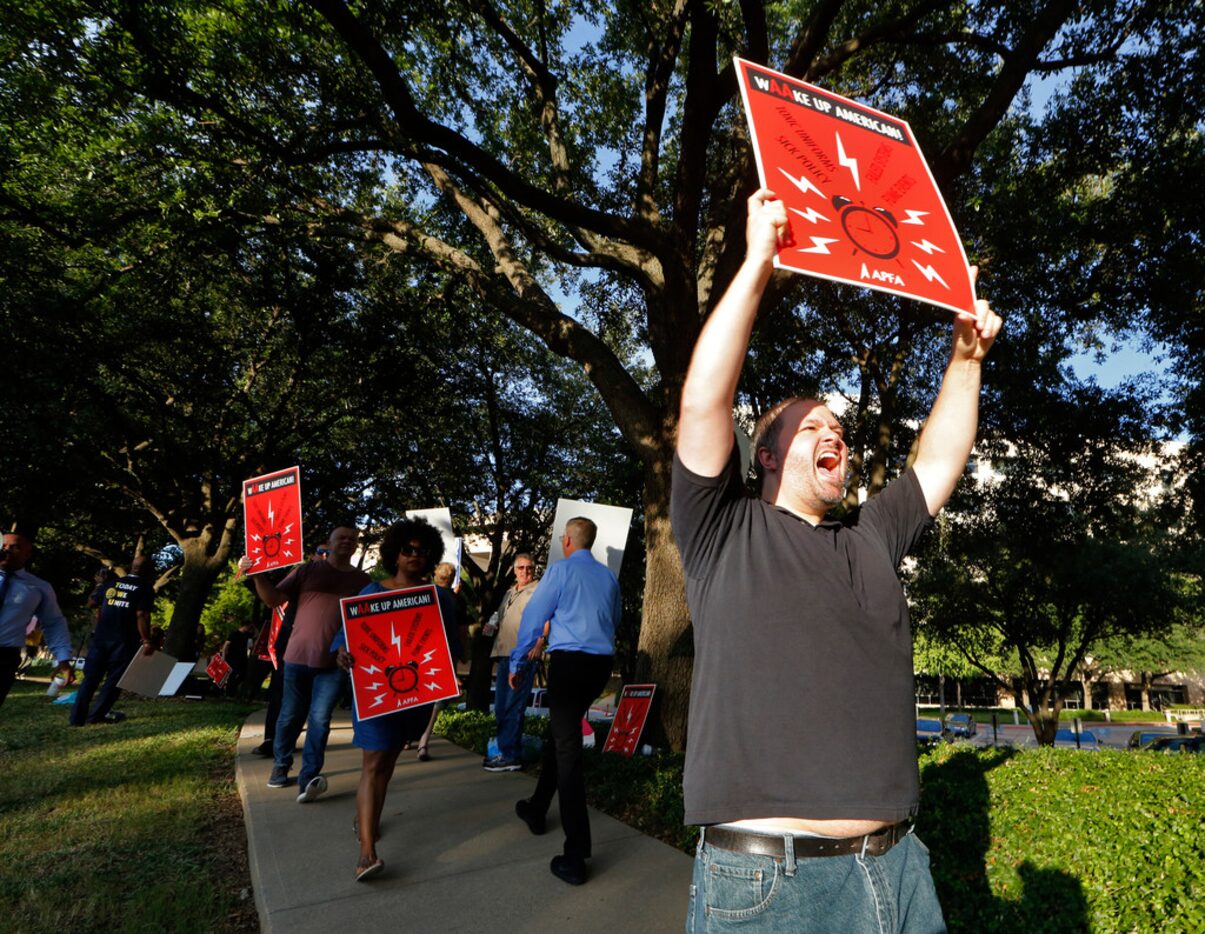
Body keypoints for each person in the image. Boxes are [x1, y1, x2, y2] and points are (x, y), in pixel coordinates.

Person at [672, 188, 1001, 931]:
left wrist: (965, 356)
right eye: (812, 425)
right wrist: (757, 264)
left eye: (839, 428)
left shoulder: (870, 538)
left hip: (899, 873)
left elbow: (941, 456)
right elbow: (701, 405)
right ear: (765, 454)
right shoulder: (720, 530)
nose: (835, 434)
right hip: (767, 881)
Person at [333, 517, 463, 881]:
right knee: (373, 764)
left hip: (414, 698)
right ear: (395, 552)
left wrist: (449, 678)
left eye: (423, 552)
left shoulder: (438, 598)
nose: (415, 556)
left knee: (387, 764)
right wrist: (341, 653)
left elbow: (448, 649)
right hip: (375, 696)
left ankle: (367, 822)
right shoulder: (371, 592)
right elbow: (343, 640)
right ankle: (366, 853)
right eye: (408, 549)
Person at [510, 517, 621, 886]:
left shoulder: (559, 571)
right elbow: (615, 618)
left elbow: (533, 616)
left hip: (569, 663)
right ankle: (537, 808)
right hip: (599, 666)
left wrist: (518, 659)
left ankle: (576, 854)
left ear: (568, 540)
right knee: (561, 736)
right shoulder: (608, 577)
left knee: (568, 748)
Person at [238, 526, 370, 803]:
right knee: (289, 716)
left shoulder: (363, 581)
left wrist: (347, 648)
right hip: (297, 658)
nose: (347, 542)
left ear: (357, 546)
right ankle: (280, 766)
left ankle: (309, 777)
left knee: (320, 721)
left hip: (334, 665)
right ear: (329, 543)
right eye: (341, 538)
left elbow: (363, 624)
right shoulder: (307, 571)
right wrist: (257, 573)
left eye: (352, 539)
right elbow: (274, 599)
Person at [69, 555, 156, 726]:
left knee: (90, 679)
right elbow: (142, 614)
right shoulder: (145, 588)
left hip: (100, 639)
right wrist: (146, 640)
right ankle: (96, 716)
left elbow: (91, 603)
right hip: (124, 641)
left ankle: (76, 718)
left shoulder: (111, 584)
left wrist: (99, 584)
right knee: (114, 680)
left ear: (132, 567)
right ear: (148, 570)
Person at [481, 553, 546, 772]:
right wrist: (491, 625)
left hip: (523, 655)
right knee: (501, 707)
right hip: (504, 653)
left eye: (529, 567)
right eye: (521, 568)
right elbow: (500, 616)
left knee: (513, 706)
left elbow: (546, 618)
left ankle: (511, 756)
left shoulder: (539, 590)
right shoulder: (510, 591)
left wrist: (540, 642)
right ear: (514, 569)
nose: (525, 572)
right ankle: (504, 751)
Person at [0, 527, 74, 707]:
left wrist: (63, 659)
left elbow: (54, 623)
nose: (6, 550)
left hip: (4, 657)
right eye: (3, 545)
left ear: (27, 554)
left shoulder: (38, 588)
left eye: (14, 547)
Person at [407, 561, 469, 762]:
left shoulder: (422, 594)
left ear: (435, 576)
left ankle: (408, 735)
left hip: (420, 651)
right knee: (437, 698)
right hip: (445, 652)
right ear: (451, 580)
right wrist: (462, 653)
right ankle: (423, 742)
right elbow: (461, 631)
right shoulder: (457, 601)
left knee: (414, 691)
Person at [220, 616, 256, 698]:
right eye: (249, 627)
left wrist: (253, 627)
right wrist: (223, 657)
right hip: (233, 657)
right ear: (245, 626)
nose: (250, 629)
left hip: (242, 658)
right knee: (233, 674)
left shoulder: (247, 635)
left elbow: (256, 634)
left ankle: (234, 689)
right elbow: (226, 645)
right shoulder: (234, 634)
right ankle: (229, 693)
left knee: (243, 675)